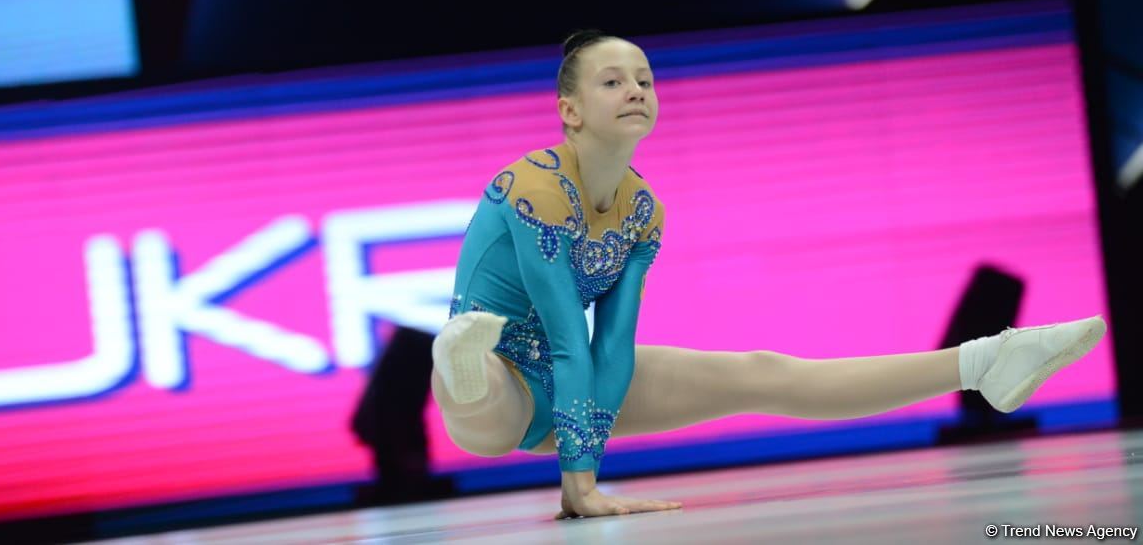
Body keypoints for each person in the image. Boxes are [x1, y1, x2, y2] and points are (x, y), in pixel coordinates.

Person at [430, 28, 1107, 521]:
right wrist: (581, 486)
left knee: (761, 371)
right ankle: (459, 362)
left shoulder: (643, 210)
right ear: (569, 110)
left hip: (568, 376)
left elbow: (611, 345)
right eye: (612, 81)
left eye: (645, 79)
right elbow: (565, 337)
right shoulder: (537, 188)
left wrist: (582, 464)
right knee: (489, 392)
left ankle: (985, 362)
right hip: (508, 378)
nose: (635, 90)